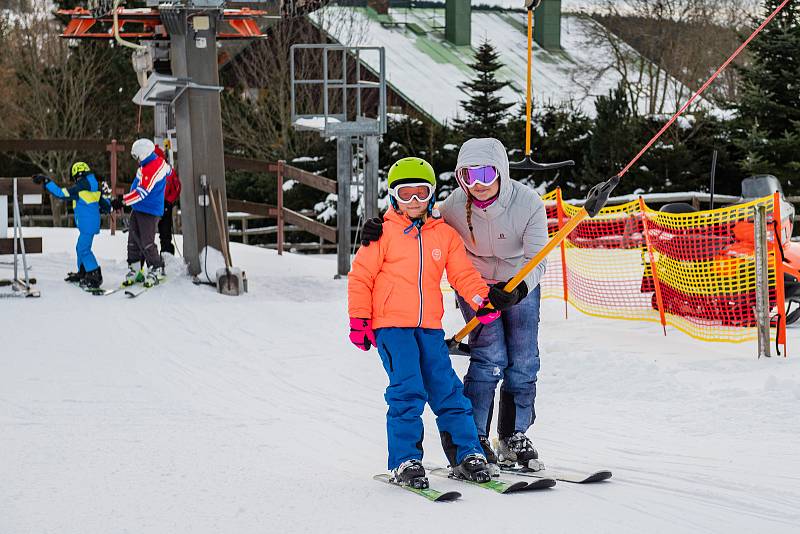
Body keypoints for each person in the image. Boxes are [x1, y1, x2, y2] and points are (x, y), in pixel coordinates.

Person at [359, 138, 549, 474]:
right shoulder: (448, 210)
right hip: (416, 314)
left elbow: (528, 261)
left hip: (515, 284)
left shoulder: (524, 204)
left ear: (501, 172)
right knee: (484, 360)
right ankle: (452, 445)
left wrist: (504, 293)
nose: (479, 184)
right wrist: (378, 225)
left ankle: (504, 438)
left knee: (521, 362)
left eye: (487, 174)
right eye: (469, 176)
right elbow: (370, 268)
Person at [348, 157, 500, 489]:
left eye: (422, 193)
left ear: (432, 195)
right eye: (407, 194)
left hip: (429, 327)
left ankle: (467, 454)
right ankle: (405, 459)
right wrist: (359, 318)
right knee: (408, 389)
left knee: (448, 390)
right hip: (390, 326)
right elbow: (360, 277)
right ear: (393, 196)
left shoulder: (443, 235)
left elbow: (462, 274)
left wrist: (480, 300)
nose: (415, 202)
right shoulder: (381, 233)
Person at [33, 162, 111, 289]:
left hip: (87, 226)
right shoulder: (94, 187)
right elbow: (105, 204)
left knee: (83, 249)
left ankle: (94, 275)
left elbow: (60, 193)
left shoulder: (79, 188)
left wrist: (46, 181)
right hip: (90, 225)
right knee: (81, 247)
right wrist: (109, 205)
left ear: (76, 176)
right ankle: (84, 272)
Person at [112, 138, 169, 287]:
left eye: (136, 156)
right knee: (133, 240)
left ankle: (157, 268)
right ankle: (135, 269)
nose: (136, 160)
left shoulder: (153, 168)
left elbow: (141, 192)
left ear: (143, 154)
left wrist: (123, 201)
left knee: (147, 242)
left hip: (149, 210)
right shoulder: (145, 165)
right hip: (138, 208)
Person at [154, 144, 181, 257]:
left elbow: (177, 187)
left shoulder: (169, 171)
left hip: (165, 205)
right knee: (148, 234)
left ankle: (166, 256)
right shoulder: (147, 171)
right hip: (153, 205)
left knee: (165, 233)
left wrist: (169, 201)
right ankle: (152, 258)